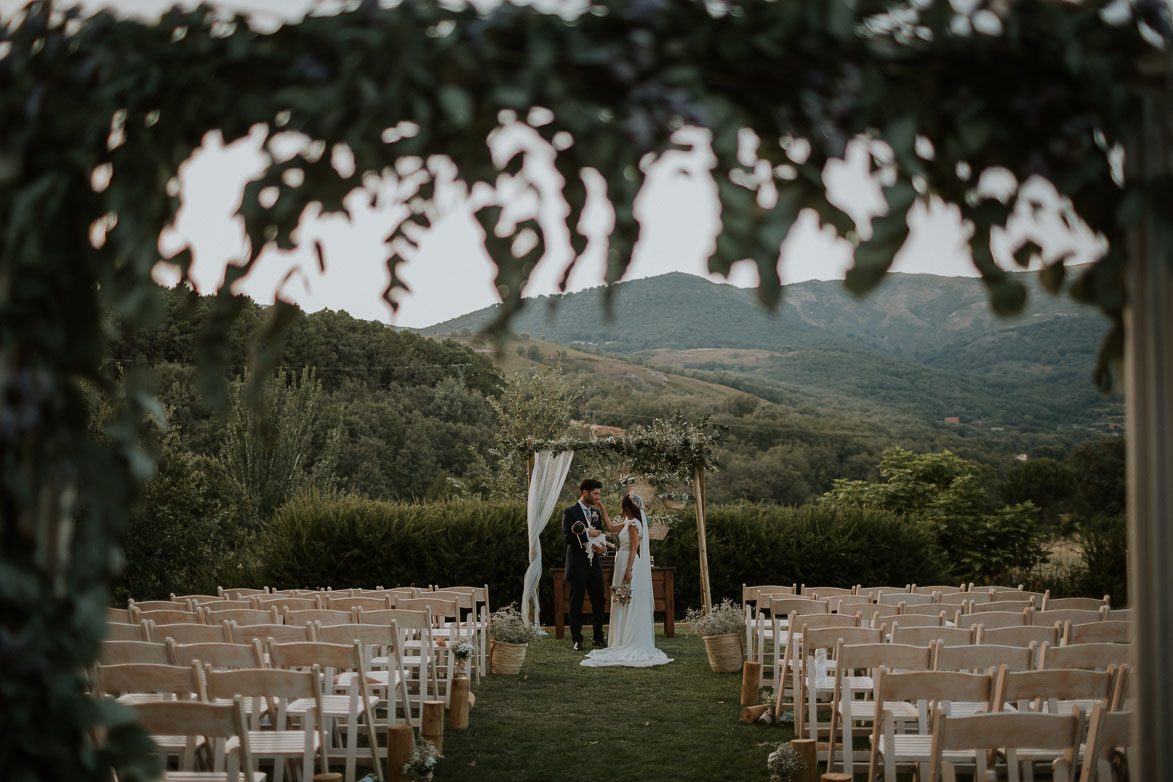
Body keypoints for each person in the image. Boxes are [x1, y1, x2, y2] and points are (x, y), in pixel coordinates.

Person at [581, 493, 673, 668]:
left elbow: (633, 549)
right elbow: (610, 527)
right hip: (621, 562)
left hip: (627, 564)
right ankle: (620, 638)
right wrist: (602, 509)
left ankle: (627, 637)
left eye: (622, 506)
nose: (621, 509)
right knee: (621, 600)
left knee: (626, 600)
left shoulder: (633, 525)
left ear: (627, 508)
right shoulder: (628, 523)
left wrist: (629, 570)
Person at [562, 478, 613, 651]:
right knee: (576, 602)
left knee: (599, 599)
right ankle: (577, 639)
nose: (598, 496)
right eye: (595, 493)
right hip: (577, 564)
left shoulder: (595, 512)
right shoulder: (570, 512)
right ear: (585, 492)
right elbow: (568, 537)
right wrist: (587, 534)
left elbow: (599, 536)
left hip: (595, 563)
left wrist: (602, 549)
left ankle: (598, 637)